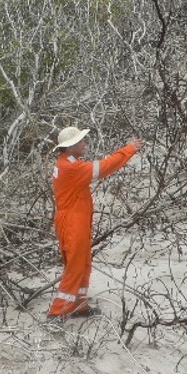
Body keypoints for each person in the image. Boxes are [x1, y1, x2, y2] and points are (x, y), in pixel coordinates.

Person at [47, 126, 142, 319]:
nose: (85, 144)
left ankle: (78, 306)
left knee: (83, 264)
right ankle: (57, 313)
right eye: (81, 141)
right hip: (72, 222)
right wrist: (129, 149)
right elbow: (105, 166)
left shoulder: (68, 162)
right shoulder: (71, 167)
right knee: (75, 267)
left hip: (75, 220)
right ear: (70, 146)